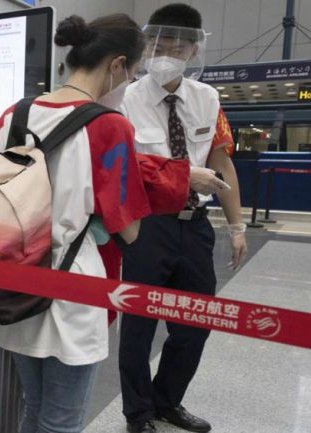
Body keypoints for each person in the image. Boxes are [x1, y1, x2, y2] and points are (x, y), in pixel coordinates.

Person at [0, 14, 152, 433]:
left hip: (15, 281)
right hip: (72, 287)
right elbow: (129, 229)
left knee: (35, 408)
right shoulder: (111, 126)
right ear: (117, 65)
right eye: (133, 71)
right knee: (62, 421)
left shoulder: (16, 113)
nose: (130, 80)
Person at [118, 4, 247, 433]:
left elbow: (221, 164)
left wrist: (237, 226)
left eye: (177, 44)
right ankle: (137, 412)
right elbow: (116, 166)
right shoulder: (123, 100)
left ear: (194, 50)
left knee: (196, 321)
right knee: (138, 325)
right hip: (146, 225)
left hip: (194, 225)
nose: (166, 51)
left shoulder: (207, 99)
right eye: (158, 43)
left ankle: (167, 400)